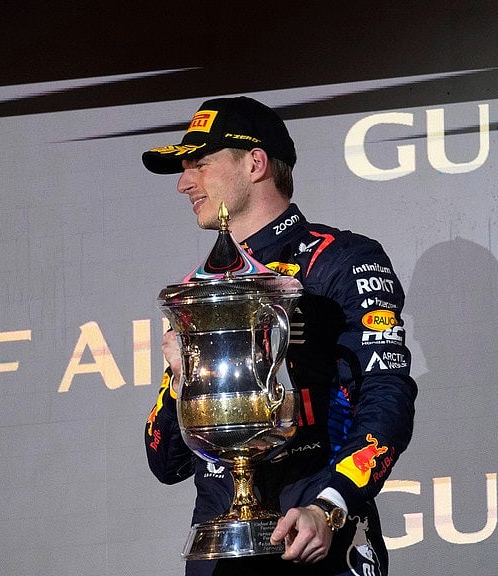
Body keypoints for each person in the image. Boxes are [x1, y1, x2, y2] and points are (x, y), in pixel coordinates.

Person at [142, 96, 417, 576]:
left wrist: (330, 506)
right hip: (220, 557)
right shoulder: (198, 292)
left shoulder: (340, 260)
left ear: (255, 163)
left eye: (199, 165)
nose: (185, 183)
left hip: (315, 545)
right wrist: (184, 375)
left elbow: (386, 393)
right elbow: (166, 461)